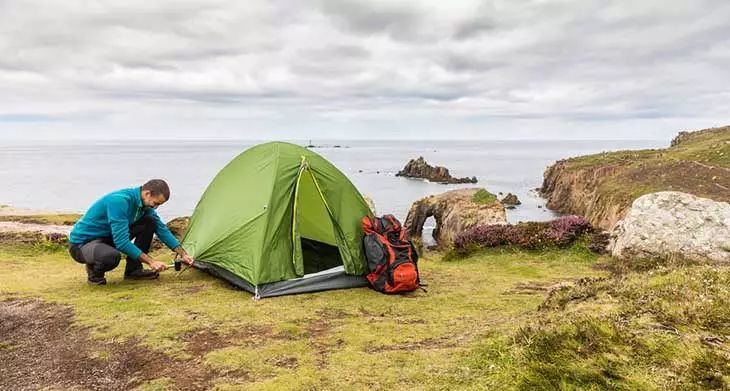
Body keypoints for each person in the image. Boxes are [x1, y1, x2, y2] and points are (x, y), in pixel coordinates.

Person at [68, 179, 194, 285]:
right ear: (147, 194)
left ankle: (133, 271)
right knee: (110, 257)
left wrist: (183, 253)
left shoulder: (143, 206)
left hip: (106, 239)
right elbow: (121, 242)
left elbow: (162, 229)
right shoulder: (119, 201)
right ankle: (94, 274)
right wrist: (151, 262)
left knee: (150, 222)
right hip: (82, 245)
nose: (155, 207)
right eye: (155, 203)